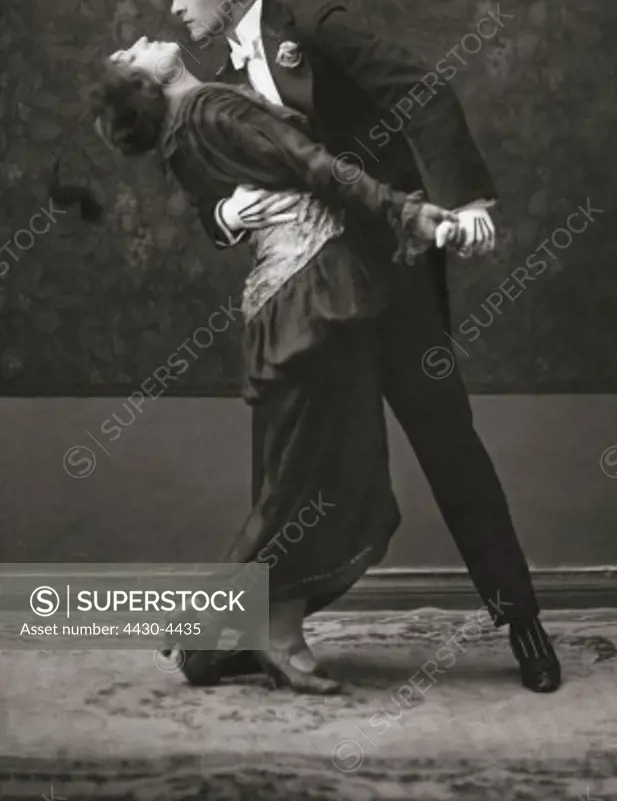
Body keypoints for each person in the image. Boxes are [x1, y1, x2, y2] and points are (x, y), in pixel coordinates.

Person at [169, 0, 562, 693]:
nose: (176, 4)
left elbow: (424, 89)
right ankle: (259, 635)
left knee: (449, 444)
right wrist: (229, 212)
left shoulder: (315, 30)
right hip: (308, 301)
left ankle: (523, 624)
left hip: (396, 279)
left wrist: (466, 199)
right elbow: (208, 193)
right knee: (284, 469)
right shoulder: (215, 86)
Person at [89, 36, 462, 694]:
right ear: (143, 83)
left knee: (312, 480)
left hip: (288, 302)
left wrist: (235, 211)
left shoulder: (183, 136)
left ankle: (228, 637)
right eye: (134, 51)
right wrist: (407, 211)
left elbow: (269, 182)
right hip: (312, 298)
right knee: (317, 483)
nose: (146, 36)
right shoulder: (210, 112)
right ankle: (257, 633)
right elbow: (315, 164)